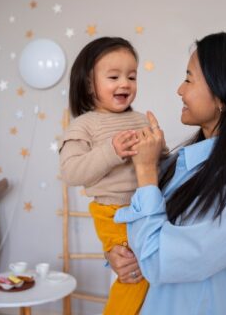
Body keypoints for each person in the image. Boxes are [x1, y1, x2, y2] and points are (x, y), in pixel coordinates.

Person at [106, 32, 226, 315]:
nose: (180, 89)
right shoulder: (180, 164)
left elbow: (158, 261)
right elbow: (145, 238)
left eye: (189, 79)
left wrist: (144, 170)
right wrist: (119, 255)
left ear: (222, 97)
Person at [59, 37, 149, 315]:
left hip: (146, 207)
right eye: (113, 76)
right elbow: (71, 172)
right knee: (132, 273)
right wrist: (111, 151)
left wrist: (159, 148)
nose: (125, 83)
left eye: (131, 76)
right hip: (113, 212)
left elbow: (160, 164)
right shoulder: (85, 125)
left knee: (152, 271)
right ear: (88, 83)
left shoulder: (142, 119)